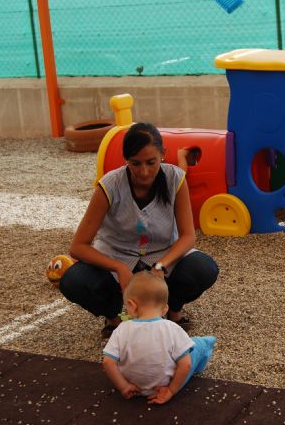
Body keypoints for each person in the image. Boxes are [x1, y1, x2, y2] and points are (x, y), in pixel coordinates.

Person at [60, 122, 219, 337]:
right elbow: (78, 247)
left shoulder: (175, 179)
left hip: (162, 255)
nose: (144, 172)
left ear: (163, 154)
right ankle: (113, 317)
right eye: (135, 164)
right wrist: (119, 267)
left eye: (151, 162)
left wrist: (162, 266)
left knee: (204, 268)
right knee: (72, 281)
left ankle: (172, 310)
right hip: (116, 255)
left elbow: (188, 236)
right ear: (125, 159)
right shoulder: (109, 185)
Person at [102, 271, 216, 404]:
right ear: (165, 309)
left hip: (135, 386)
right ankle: (207, 344)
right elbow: (186, 364)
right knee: (195, 347)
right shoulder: (172, 328)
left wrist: (124, 386)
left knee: (186, 347)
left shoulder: (121, 329)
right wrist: (171, 390)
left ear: (132, 306)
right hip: (164, 385)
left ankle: (203, 344)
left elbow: (108, 362)